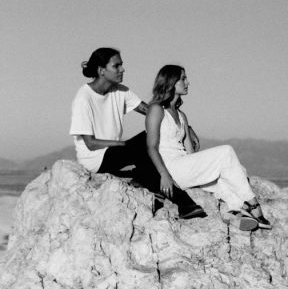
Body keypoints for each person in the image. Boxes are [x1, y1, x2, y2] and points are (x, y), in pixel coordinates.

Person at [69, 47, 207, 219]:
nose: (122, 69)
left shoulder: (120, 91)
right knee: (144, 142)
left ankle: (149, 181)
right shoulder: (84, 98)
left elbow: (153, 112)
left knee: (153, 135)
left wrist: (187, 127)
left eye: (121, 65)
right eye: (116, 66)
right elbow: (90, 143)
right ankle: (184, 203)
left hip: (114, 153)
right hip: (94, 159)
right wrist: (123, 145)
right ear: (101, 70)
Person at [145, 64, 272, 231]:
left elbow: (190, 153)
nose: (188, 82)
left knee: (235, 171)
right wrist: (163, 175)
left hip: (184, 166)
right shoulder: (156, 109)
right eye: (183, 79)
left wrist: (205, 169)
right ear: (171, 82)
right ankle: (252, 204)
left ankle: (232, 211)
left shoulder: (182, 116)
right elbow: (151, 146)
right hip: (169, 168)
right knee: (226, 151)